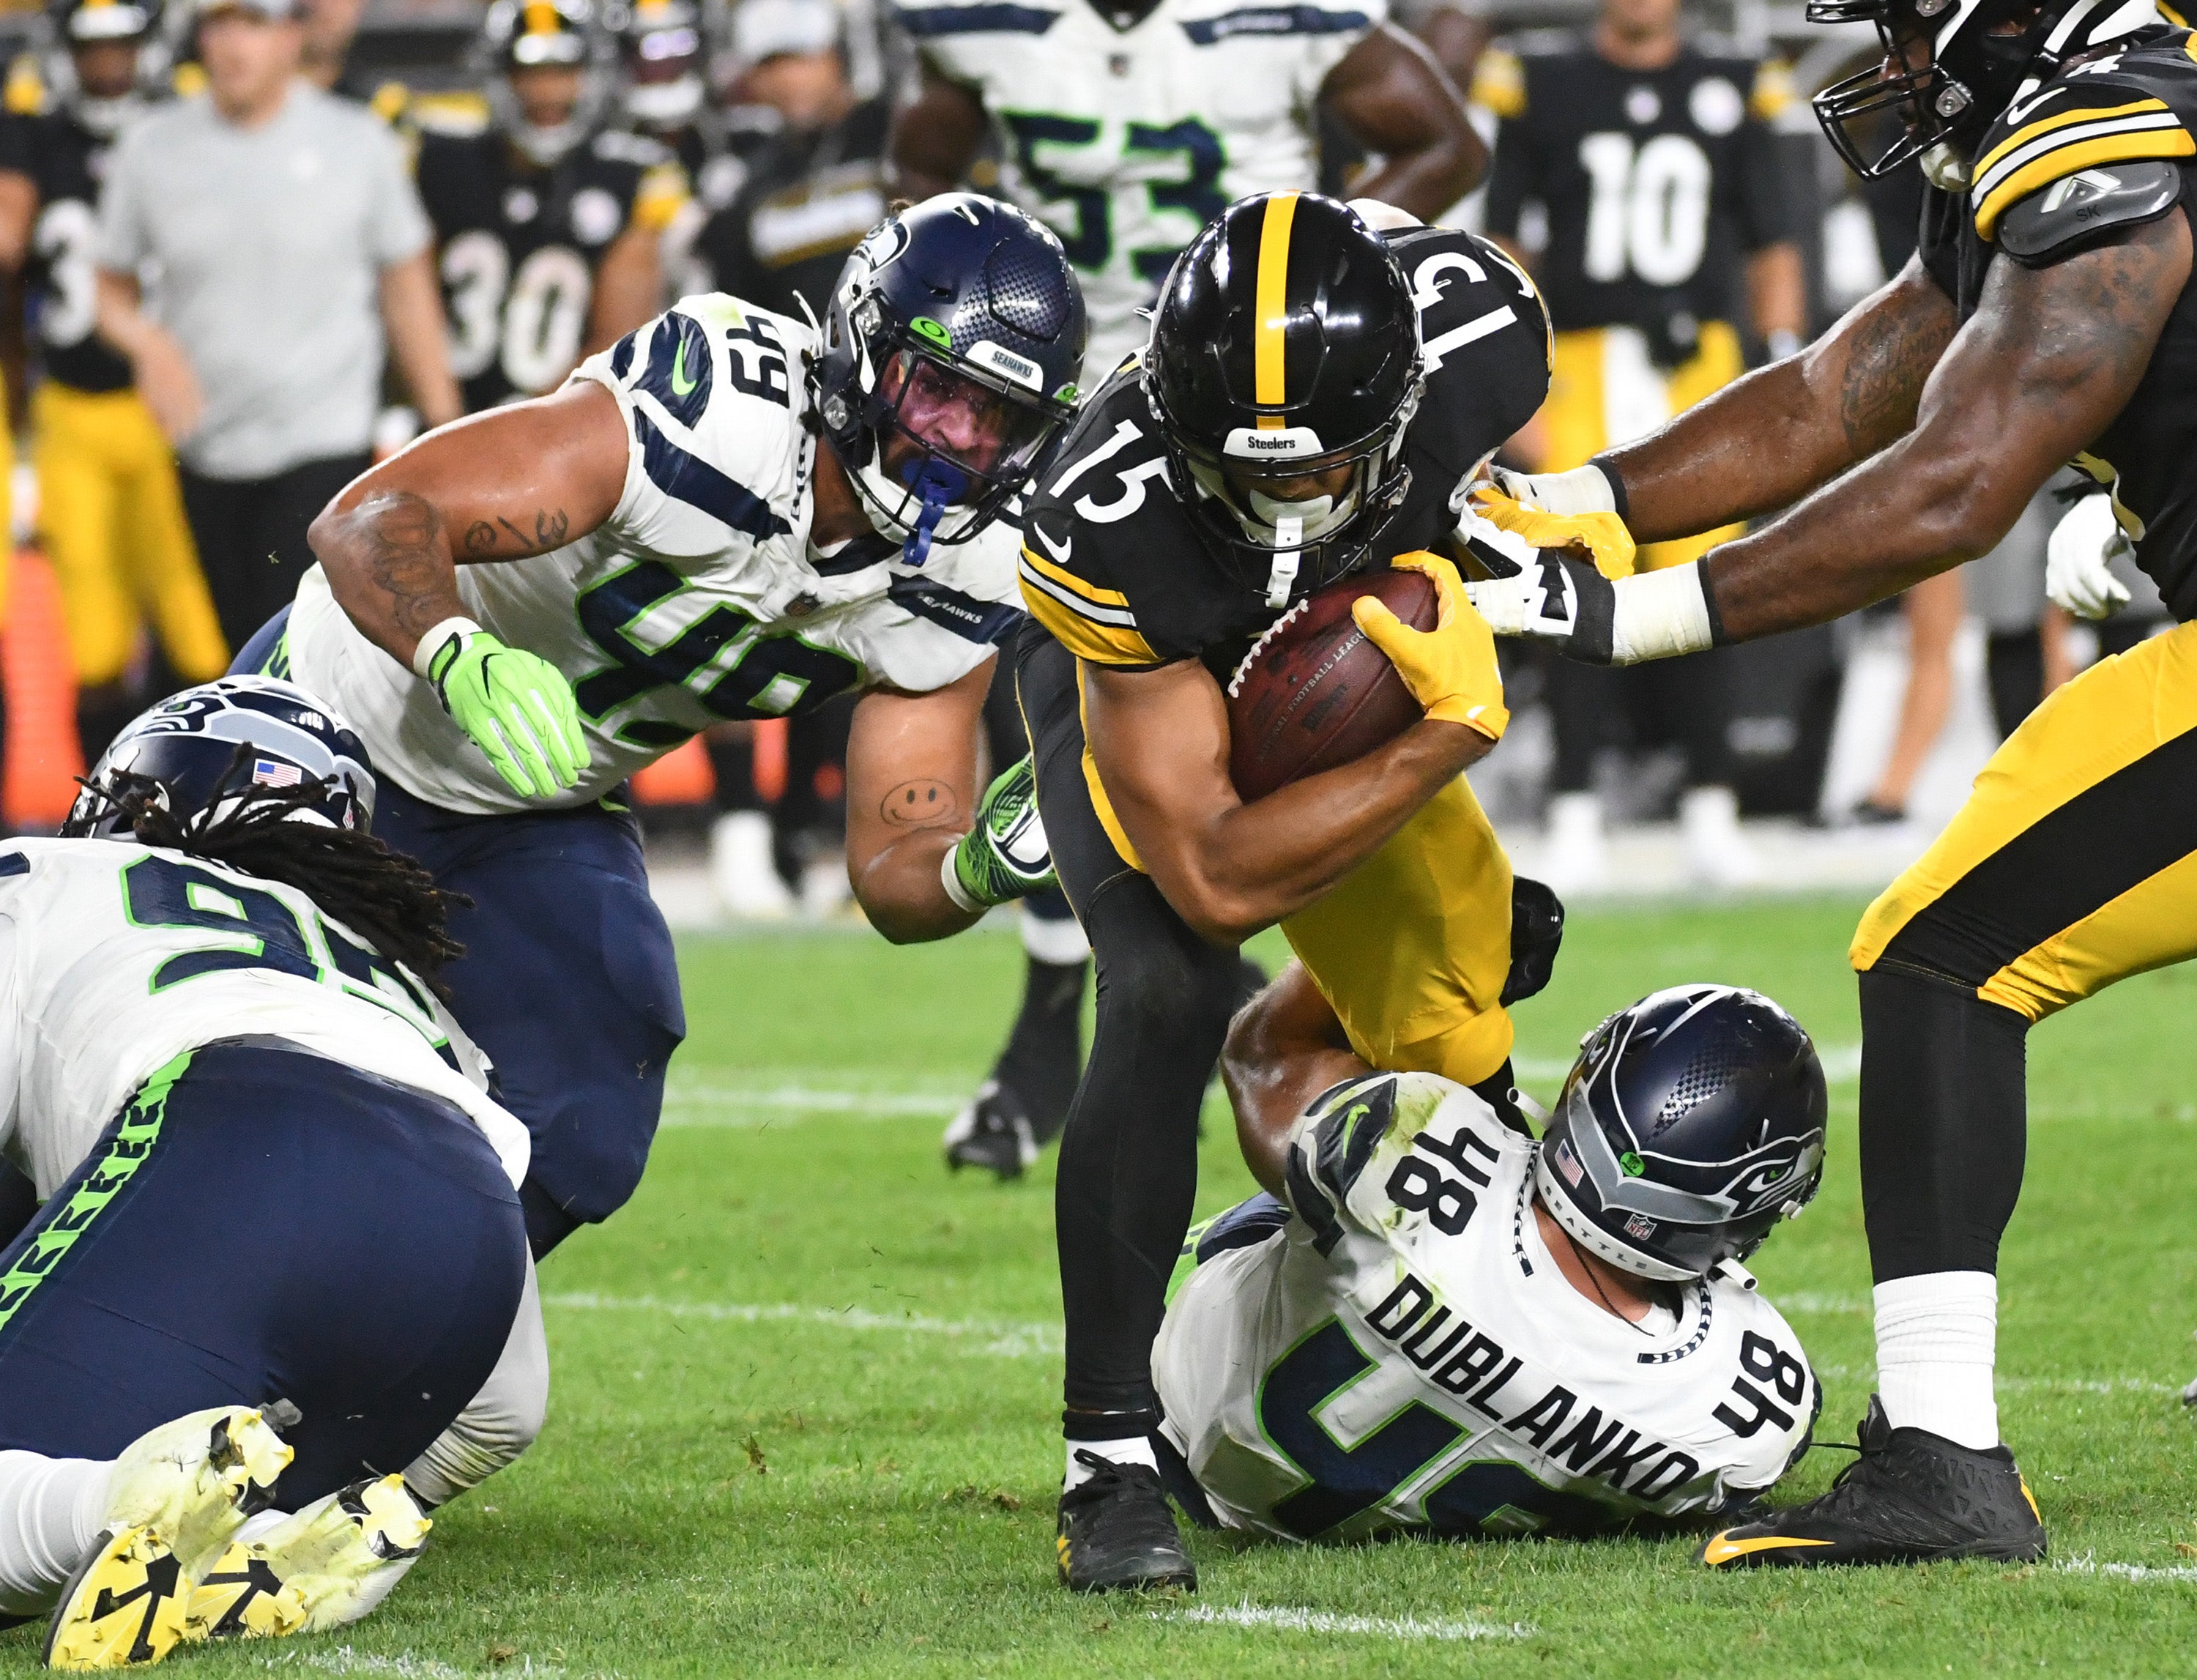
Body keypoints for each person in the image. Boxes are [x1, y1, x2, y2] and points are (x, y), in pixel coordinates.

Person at [1459, 0, 2197, 1569]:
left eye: (1914, 13)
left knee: (1940, 960)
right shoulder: (2111, 104)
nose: (1898, 46)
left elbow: (1952, 481)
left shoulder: (2108, 132)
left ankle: (1943, 1460)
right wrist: (1585, 507)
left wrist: (1641, 611)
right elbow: (1841, 388)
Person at [233, 194, 1085, 1257]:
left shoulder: (970, 568)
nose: (962, 442)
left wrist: (977, 868)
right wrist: (457, 647)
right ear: (866, 348)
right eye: (945, 392)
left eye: (1002, 417)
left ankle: (352, 1321)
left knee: (590, 1118)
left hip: (530, 800)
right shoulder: (721, 408)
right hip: (333, 718)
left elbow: (893, 863)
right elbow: (367, 516)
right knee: (182, 1044)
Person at [1010, 190, 1557, 1590]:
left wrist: (1516, 561)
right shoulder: (1103, 509)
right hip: (1147, 686)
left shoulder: (1482, 336)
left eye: (1316, 472)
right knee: (1169, 981)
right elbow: (1210, 875)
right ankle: (1109, 1456)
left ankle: (1477, 1324)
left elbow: (1585, 517)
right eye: (1242, 472)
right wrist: (1444, 735)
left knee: (1465, 994)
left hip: (1342, 647)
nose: (1277, 504)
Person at [889, 0, 1487, 1179]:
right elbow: (918, 172)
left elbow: (1445, 140)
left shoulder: (1281, 18)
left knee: (1303, 709)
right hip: (1071, 415)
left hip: (1258, 420)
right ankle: (1070, 1030)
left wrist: (1319, 264)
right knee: (1087, 738)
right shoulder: (992, 25)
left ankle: (1393, 987)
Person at [0, 677, 545, 1665]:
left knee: (65, 1484)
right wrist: (399, 1485)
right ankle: (262, 1542)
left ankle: (114, 1505)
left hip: (233, 1132)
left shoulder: (48, 873)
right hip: (463, 1232)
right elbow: (510, 1404)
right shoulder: (412, 994)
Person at [1155, 973, 1824, 1543]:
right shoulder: (1752, 1406)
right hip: (1365, 1503)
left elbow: (1262, 1055)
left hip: (1178, 1407)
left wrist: (1427, 958)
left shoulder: (1412, 1150)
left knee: (1304, 1196)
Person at [1472, 0, 1804, 891]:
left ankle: (1711, 802)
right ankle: (1575, 799)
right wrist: (1516, 378)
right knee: (1575, 583)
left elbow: (1774, 242)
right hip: (1581, 358)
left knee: (1708, 587)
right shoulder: (1541, 79)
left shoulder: (1735, 80)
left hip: (1701, 361)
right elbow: (1504, 242)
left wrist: (1779, 368)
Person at [91, 0, 462, 655]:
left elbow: (407, 289)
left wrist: (444, 425)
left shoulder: (358, 142)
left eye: (254, 23)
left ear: (294, 35)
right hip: (203, 446)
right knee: (232, 648)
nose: (233, 44)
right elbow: (109, 289)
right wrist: (147, 343)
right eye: (219, 22)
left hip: (324, 443)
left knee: (300, 650)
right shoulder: (151, 146)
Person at [0, 0, 231, 767]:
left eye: (121, 49)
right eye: (94, 52)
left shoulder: (178, 135)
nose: (109, 68)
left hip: (169, 403)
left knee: (200, 627)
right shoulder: (35, 140)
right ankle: (109, 800)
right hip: (72, 407)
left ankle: (202, 792)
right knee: (92, 642)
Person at [418, 0, 688, 417]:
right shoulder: (442, 164)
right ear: (498, 76)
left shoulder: (631, 178)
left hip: (561, 423)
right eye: (528, 72)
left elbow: (617, 341)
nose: (546, 91)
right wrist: (443, 415)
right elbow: (410, 303)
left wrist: (527, 421)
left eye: (564, 71)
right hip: (442, 409)